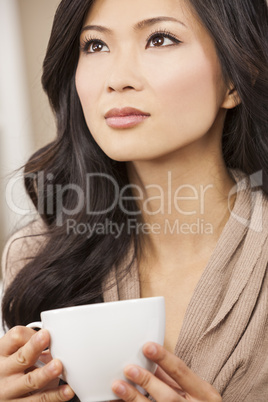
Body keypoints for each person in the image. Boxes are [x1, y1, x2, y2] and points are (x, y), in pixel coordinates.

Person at [1, 0, 268, 400]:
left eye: (160, 39)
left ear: (235, 78)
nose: (117, 78)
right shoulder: (36, 258)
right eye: (94, 46)